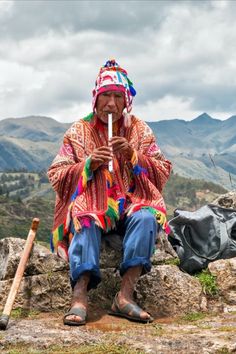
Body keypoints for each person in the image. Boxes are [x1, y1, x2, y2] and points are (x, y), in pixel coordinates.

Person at [47, 59, 172, 326]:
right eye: (106, 96)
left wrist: (134, 156)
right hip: (93, 204)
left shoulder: (139, 129)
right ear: (96, 98)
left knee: (147, 218)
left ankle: (124, 296)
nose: (112, 104)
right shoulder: (79, 131)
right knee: (85, 217)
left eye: (118, 97)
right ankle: (79, 296)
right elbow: (57, 174)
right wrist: (88, 165)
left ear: (127, 101)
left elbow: (162, 170)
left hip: (129, 203)